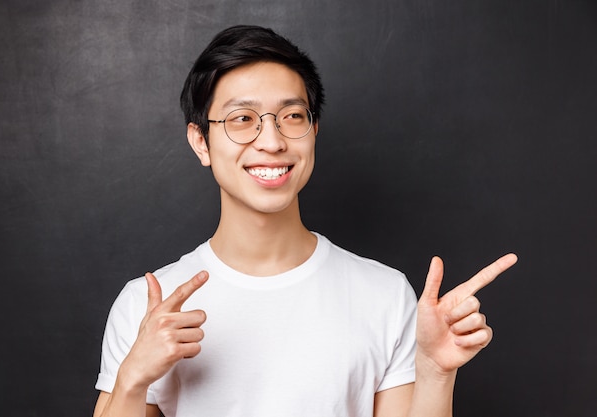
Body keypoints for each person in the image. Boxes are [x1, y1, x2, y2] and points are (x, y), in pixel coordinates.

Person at [92, 25, 517, 417]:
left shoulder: (385, 295)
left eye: (292, 116)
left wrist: (435, 372)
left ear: (314, 130)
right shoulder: (147, 306)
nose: (273, 141)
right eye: (243, 119)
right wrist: (132, 378)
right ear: (200, 141)